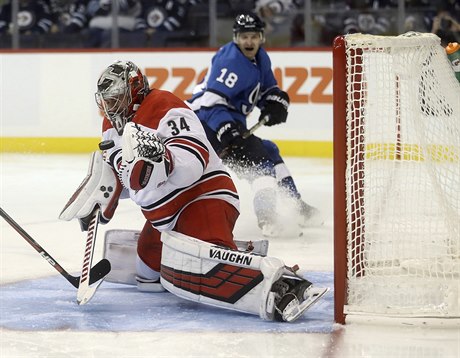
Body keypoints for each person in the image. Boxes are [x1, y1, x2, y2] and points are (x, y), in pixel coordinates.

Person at [59, 60, 328, 322]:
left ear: (134, 91)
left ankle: (282, 285)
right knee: (147, 274)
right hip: (164, 214)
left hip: (203, 198)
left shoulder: (163, 106)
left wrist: (164, 159)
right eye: (105, 99)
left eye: (116, 98)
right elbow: (128, 176)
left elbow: (193, 161)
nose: (109, 106)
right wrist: (105, 197)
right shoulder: (110, 125)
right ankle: (217, 251)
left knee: (210, 269)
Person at [187, 12, 322, 237]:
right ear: (235, 38)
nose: (248, 42)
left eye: (253, 36)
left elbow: (266, 90)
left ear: (261, 37)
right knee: (260, 162)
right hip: (208, 126)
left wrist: (276, 101)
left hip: (226, 122)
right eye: (243, 37)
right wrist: (225, 129)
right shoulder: (230, 62)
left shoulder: (261, 59)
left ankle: (296, 207)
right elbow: (211, 103)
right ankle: (267, 218)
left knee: (270, 151)